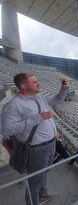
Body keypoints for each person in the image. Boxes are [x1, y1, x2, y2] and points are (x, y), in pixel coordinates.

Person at [1, 73, 69, 205]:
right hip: (36, 150)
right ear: (23, 86)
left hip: (50, 144)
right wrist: (38, 117)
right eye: (34, 82)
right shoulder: (13, 105)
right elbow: (7, 130)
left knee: (44, 173)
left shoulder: (39, 97)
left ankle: (43, 195)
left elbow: (56, 100)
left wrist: (64, 89)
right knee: (35, 181)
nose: (38, 83)